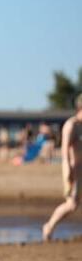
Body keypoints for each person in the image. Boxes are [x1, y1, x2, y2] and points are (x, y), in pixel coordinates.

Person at [42, 94, 82, 241]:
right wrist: (67, 173)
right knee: (72, 204)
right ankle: (49, 226)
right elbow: (64, 152)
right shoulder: (71, 125)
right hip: (73, 170)